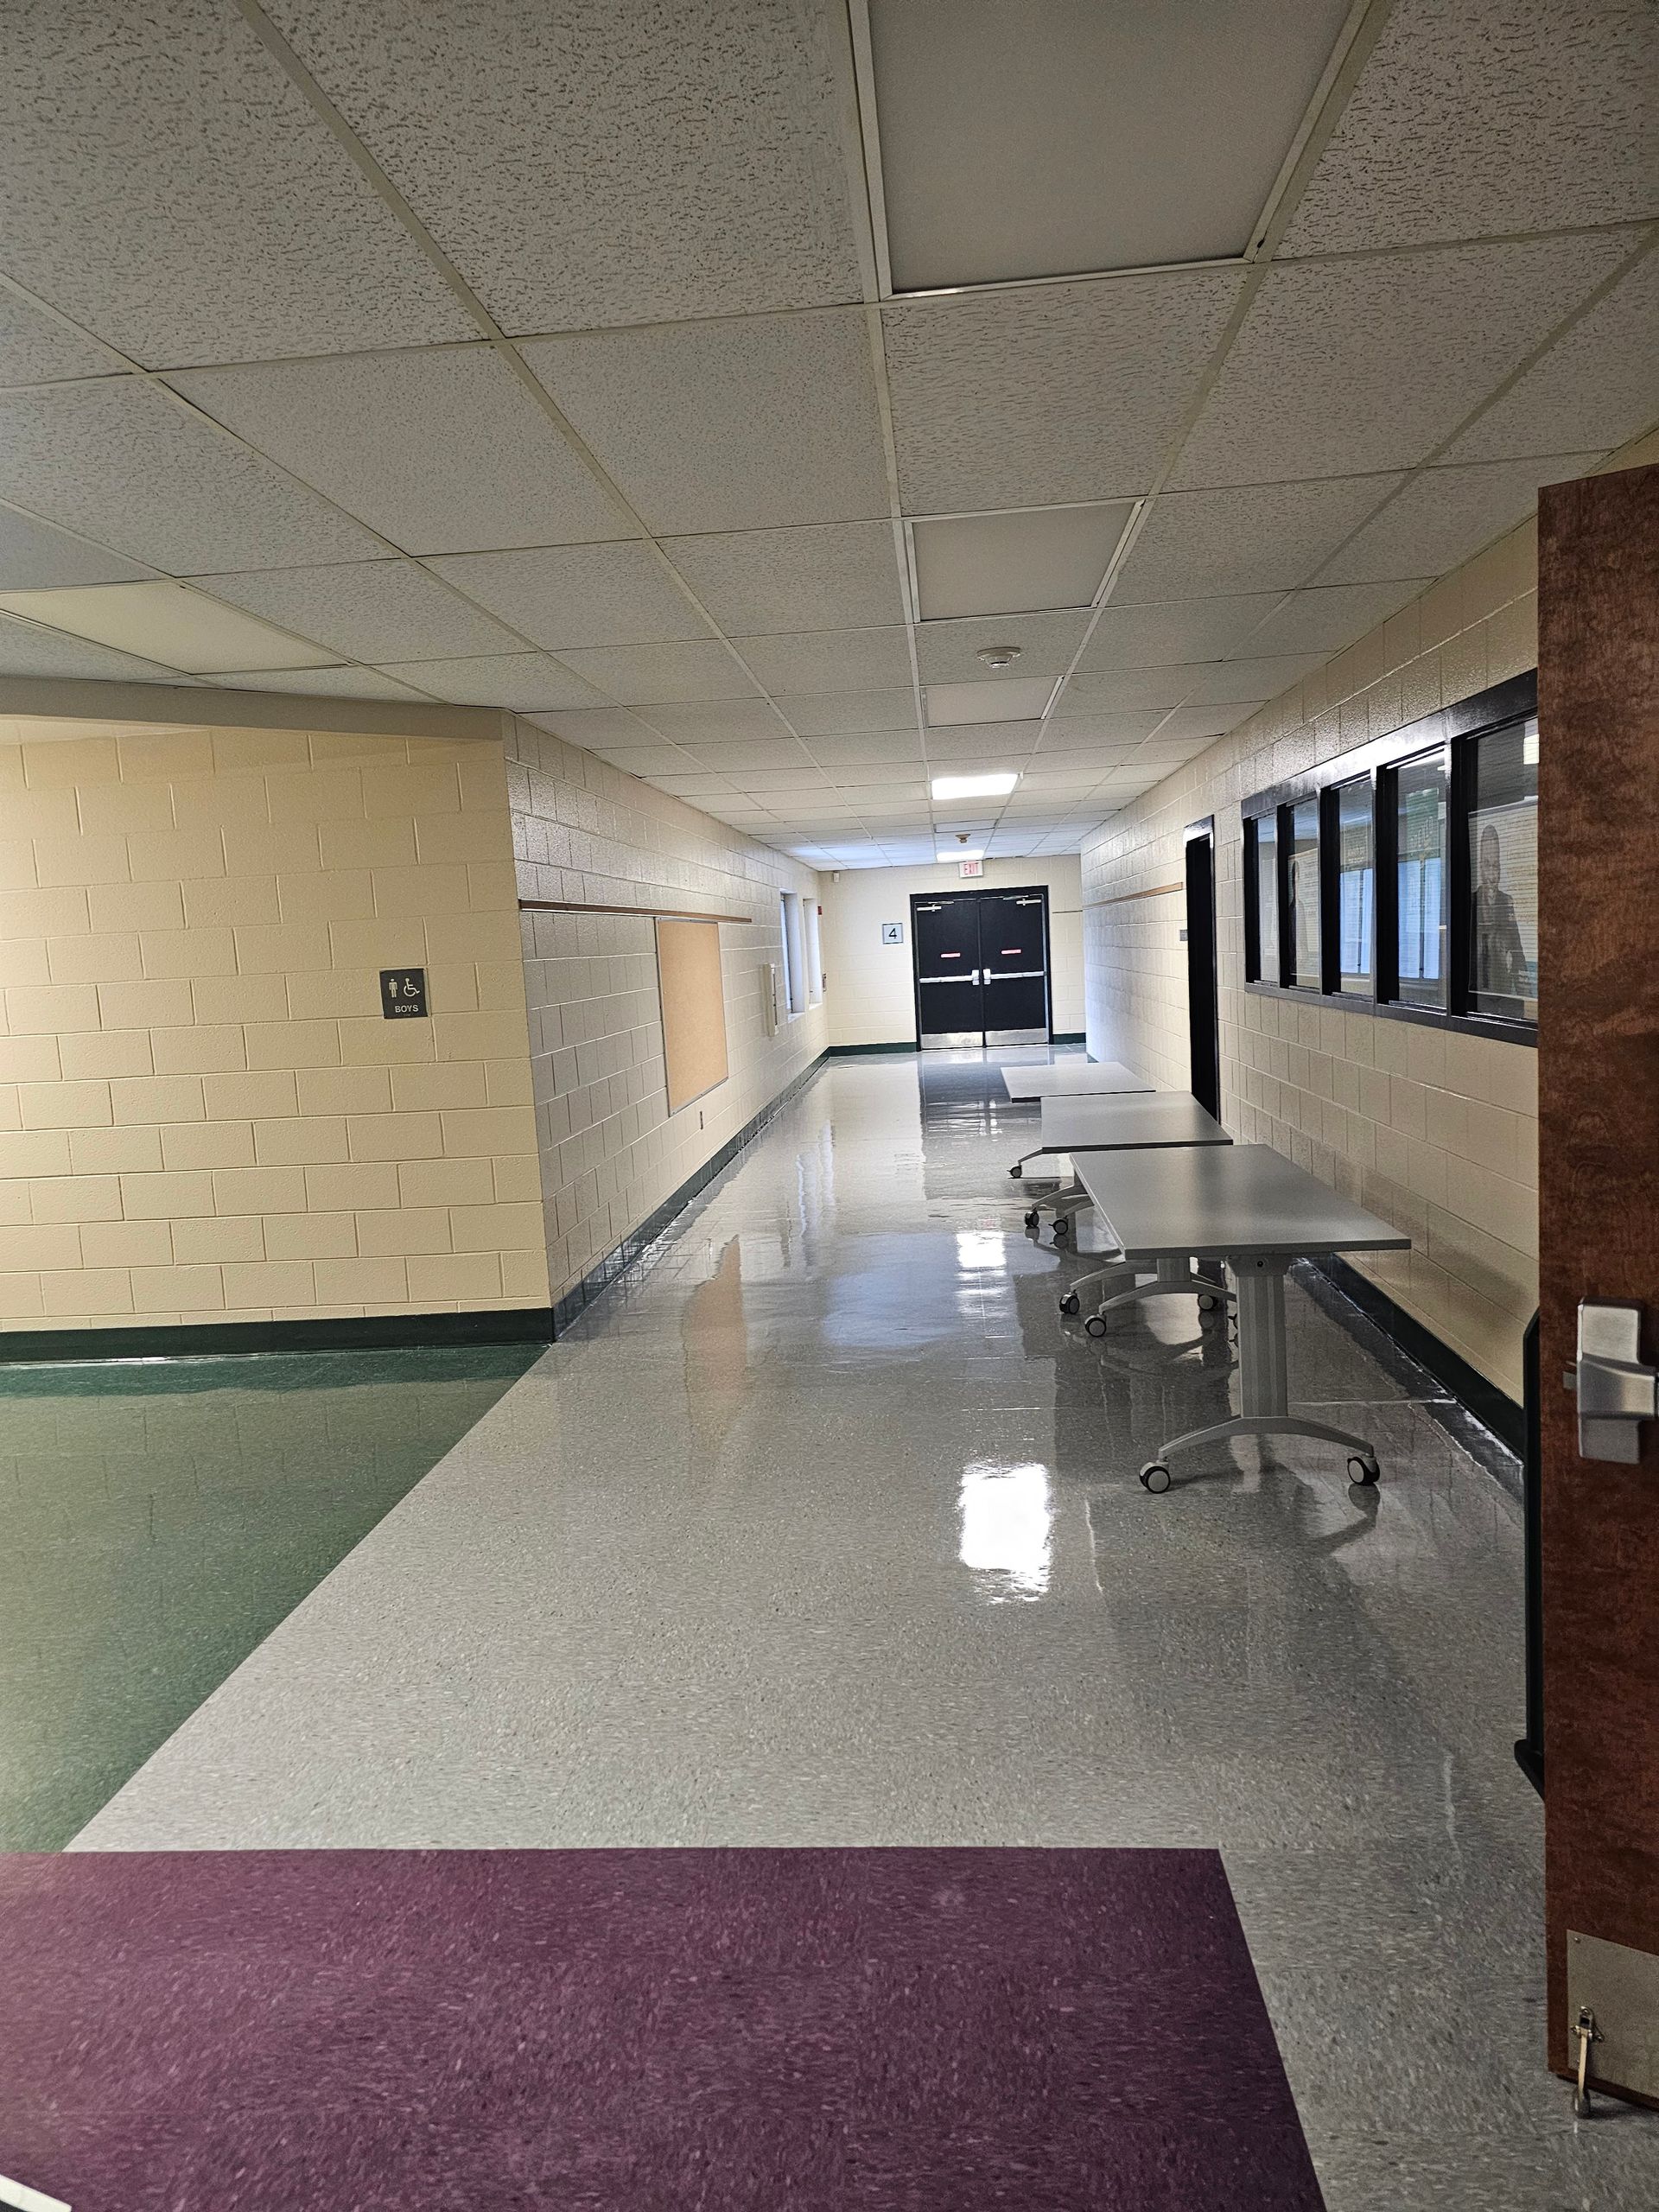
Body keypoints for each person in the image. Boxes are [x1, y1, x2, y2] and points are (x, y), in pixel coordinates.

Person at [1473, 822, 1529, 1003]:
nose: (1492, 875)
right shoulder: (1472, 902)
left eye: (1496, 866)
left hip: (1503, 994)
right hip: (1477, 995)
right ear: (1481, 867)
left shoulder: (1506, 902)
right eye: (1488, 866)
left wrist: (1526, 998)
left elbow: (1517, 951)